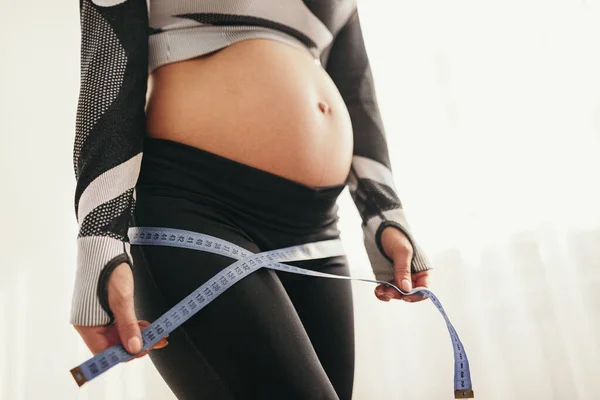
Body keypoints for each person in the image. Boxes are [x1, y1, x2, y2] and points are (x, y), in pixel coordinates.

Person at [70, 0, 433, 399]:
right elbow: (108, 68)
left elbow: (356, 91)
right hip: (196, 208)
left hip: (316, 230)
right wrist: (100, 241)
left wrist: (385, 216)